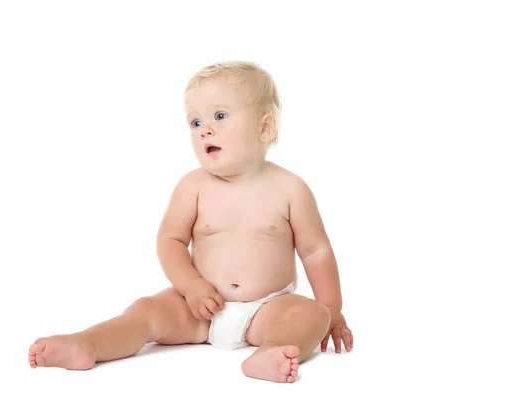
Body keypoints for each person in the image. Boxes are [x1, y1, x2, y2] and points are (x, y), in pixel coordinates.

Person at [28, 61, 353, 383]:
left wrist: (332, 309)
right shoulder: (193, 186)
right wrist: (191, 286)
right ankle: (89, 344)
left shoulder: (290, 189)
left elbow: (315, 251)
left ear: (264, 127)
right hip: (197, 308)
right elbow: (170, 241)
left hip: (267, 309)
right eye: (195, 122)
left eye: (220, 116)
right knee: (146, 311)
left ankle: (271, 351)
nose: (204, 129)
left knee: (311, 314)